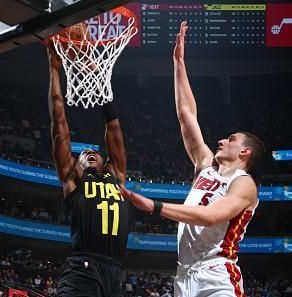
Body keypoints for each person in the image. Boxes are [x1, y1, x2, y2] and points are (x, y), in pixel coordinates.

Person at [120, 21, 264, 297]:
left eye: (231, 139)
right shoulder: (206, 166)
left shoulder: (244, 183)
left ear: (245, 152)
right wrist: (178, 62)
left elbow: (211, 217)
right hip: (184, 276)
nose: (221, 140)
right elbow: (186, 115)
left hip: (217, 275)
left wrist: (155, 206)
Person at [47, 45, 129, 297]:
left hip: (115, 272)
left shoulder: (116, 175)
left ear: (105, 161)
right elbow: (59, 122)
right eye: (83, 154)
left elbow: (113, 128)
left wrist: (100, 82)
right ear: (74, 165)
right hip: (83, 268)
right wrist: (54, 68)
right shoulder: (72, 180)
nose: (90, 153)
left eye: (95, 152)